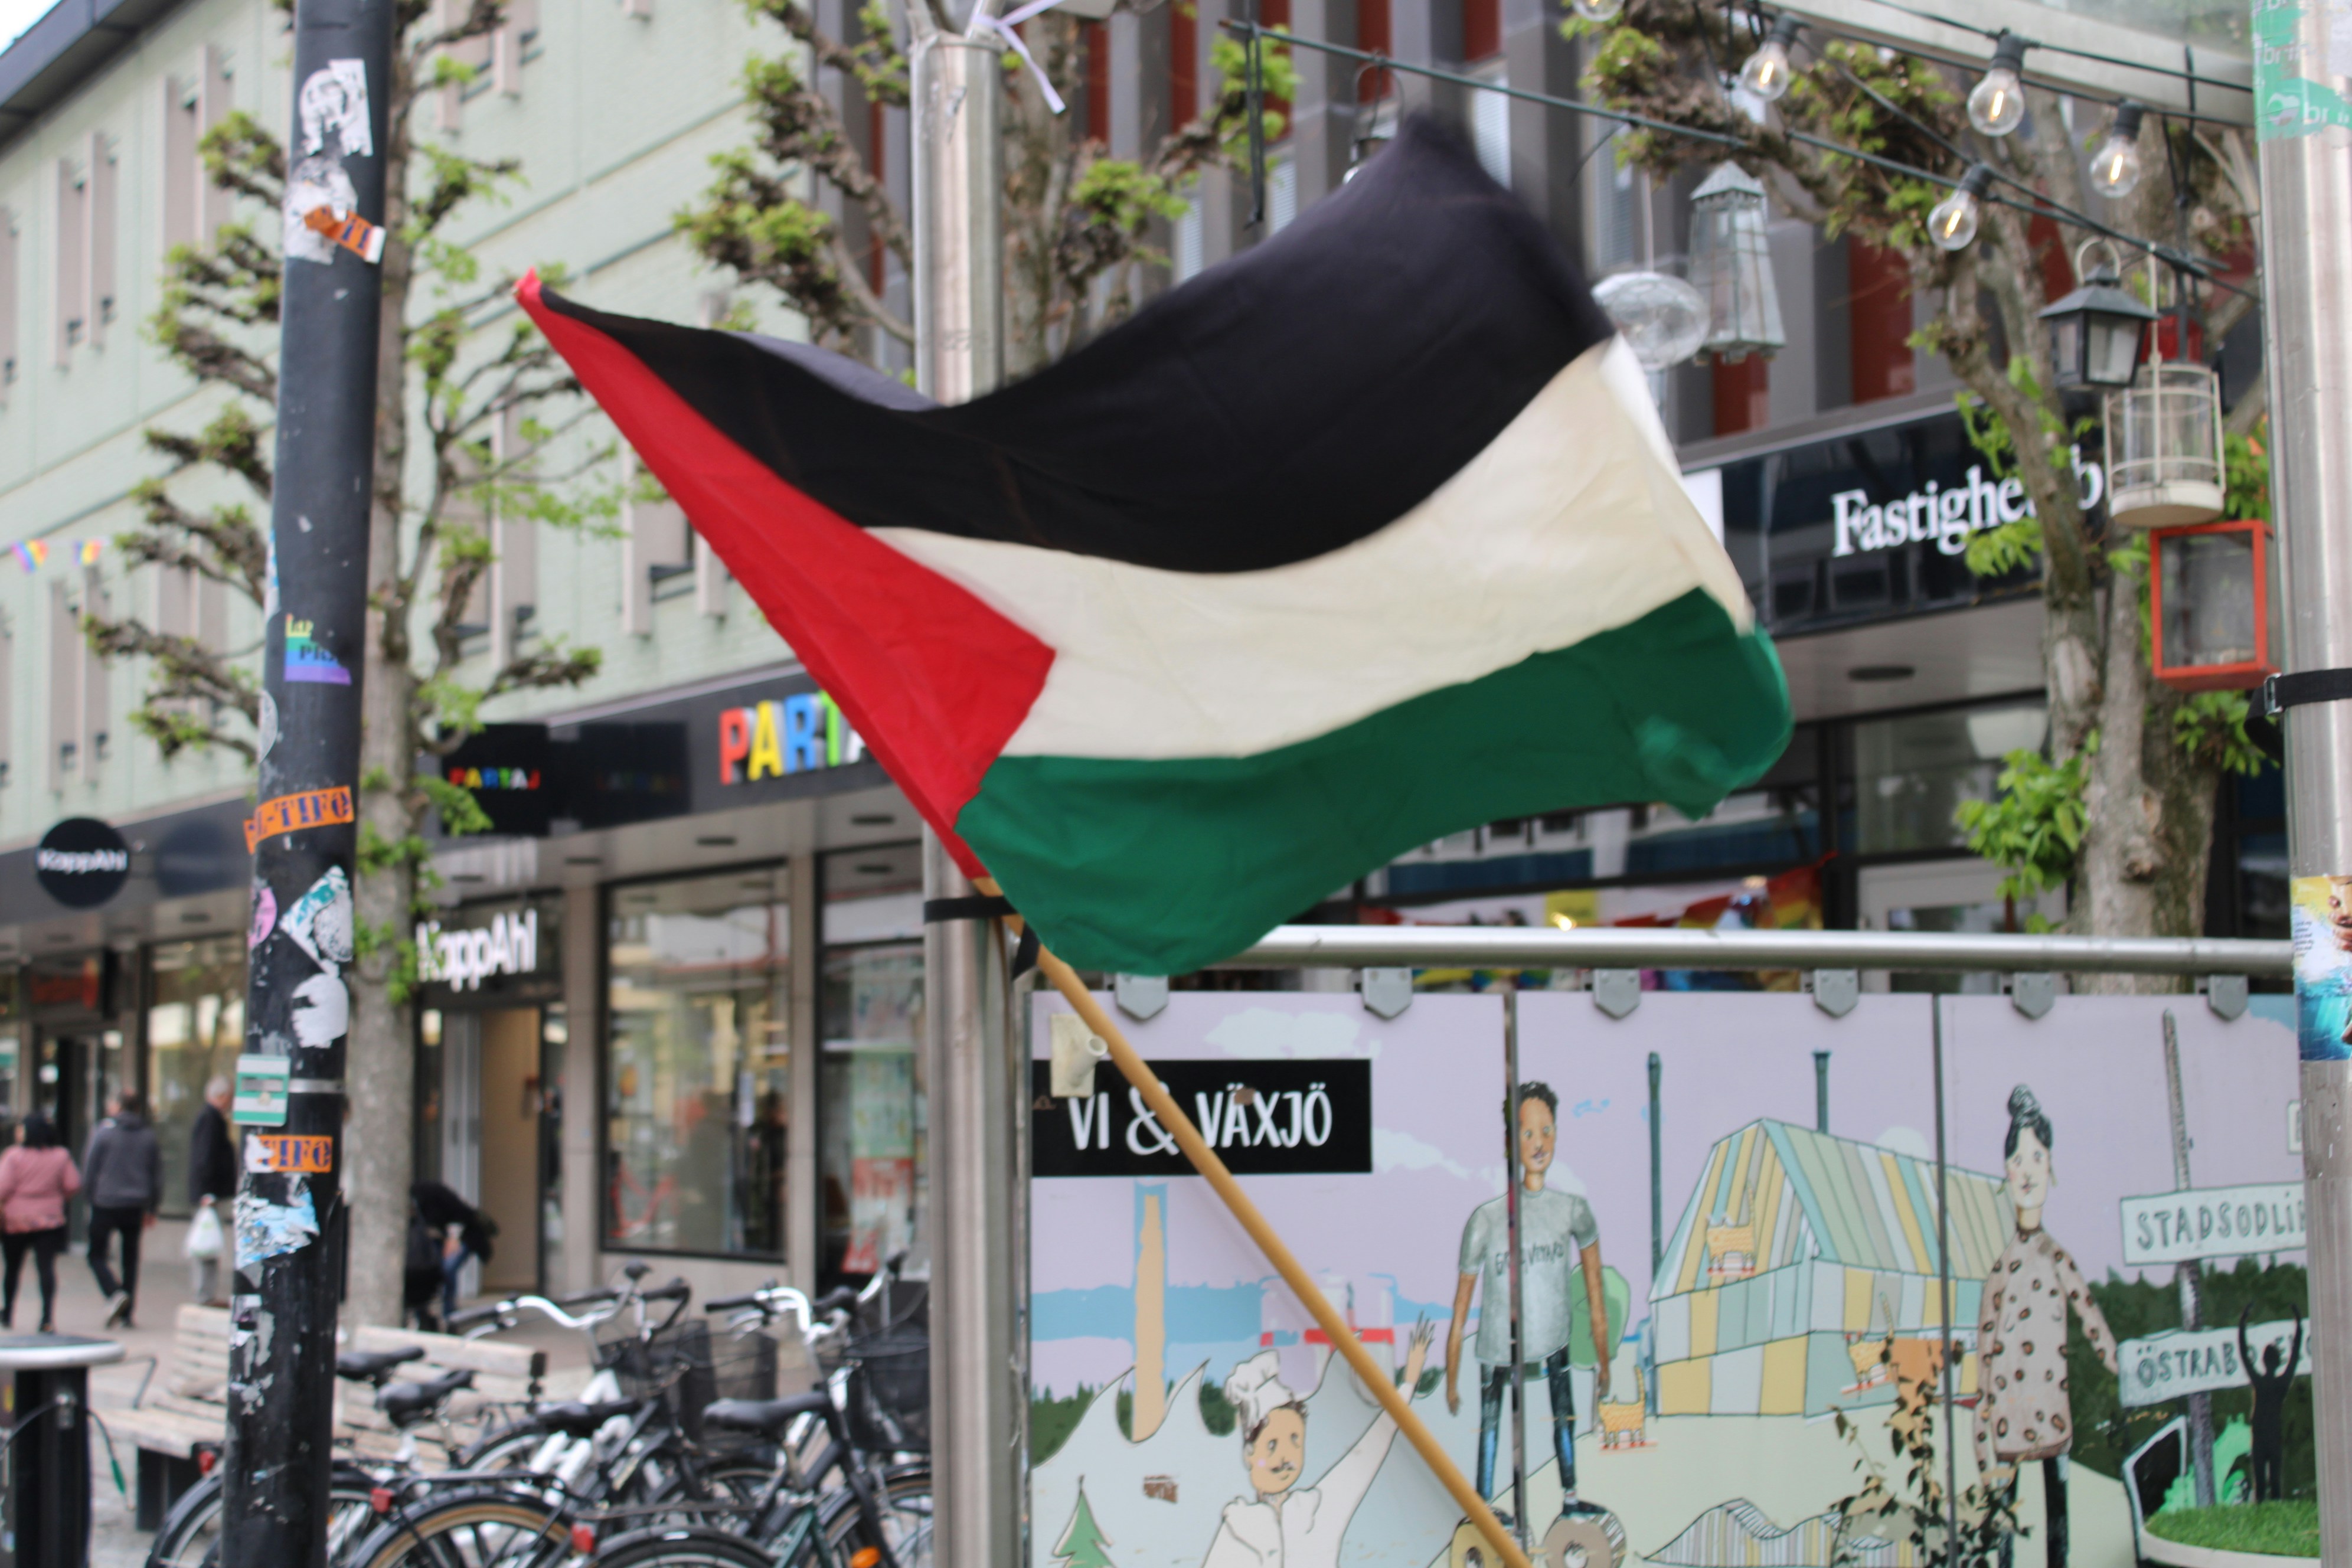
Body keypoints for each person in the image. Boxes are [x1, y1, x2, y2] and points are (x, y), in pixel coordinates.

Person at [1445, 1082, 1612, 1527]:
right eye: (1527, 1133)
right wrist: (1450, 1373)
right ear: (1509, 1141)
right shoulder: (1485, 1220)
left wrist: (1604, 1360)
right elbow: (1462, 1306)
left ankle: (1571, 1495)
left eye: (1546, 1131)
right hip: (1497, 1345)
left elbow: (1595, 1290)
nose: (1538, 1143)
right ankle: (1482, 1505)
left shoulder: (1573, 1210)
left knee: (1563, 1415)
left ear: (1556, 1133)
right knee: (1491, 1424)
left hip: (1553, 1336)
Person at [1975, 1086, 2116, 1568]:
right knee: (2007, 1532)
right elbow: (1984, 1356)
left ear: (2050, 1165)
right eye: (2019, 1157)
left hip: (2053, 1415)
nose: (2028, 1167)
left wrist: (2125, 1364)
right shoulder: (1999, 1271)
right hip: (2007, 1421)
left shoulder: (2056, 1257)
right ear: (2007, 1172)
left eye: (2037, 1155)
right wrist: (1981, 1436)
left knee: (2059, 1531)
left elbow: (2091, 1317)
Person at [1201, 1322, 1434, 1568]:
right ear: (1249, 1453)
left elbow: (1366, 1454)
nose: (1285, 1457)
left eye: (1295, 1441)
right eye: (1271, 1446)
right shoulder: (1239, 1527)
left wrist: (1408, 1386)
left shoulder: (1318, 1509)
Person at [83, 1092, 161, 1329]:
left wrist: (90, 1198)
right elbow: (156, 1175)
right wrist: (153, 1207)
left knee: (96, 1255)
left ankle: (115, 1294)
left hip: (105, 1202)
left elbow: (90, 1167)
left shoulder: (104, 1133)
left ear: (117, 1106)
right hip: (135, 1204)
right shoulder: (148, 1136)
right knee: (130, 1259)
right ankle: (127, 1313)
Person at [0, 1116, 79, 1333]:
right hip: (50, 1220)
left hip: (17, 1220)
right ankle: (47, 1318)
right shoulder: (61, 1156)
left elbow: (3, 1188)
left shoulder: (14, 1156)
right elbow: (73, 1184)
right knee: (46, 1268)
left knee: (12, 1269)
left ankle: (7, 1313)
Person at [2239, 1305, 2305, 1502]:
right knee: (2275, 1484)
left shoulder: (2259, 1382)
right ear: (2277, 1362)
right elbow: (2294, 1357)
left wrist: (2243, 1323)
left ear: (2264, 1361)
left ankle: (2264, 1516)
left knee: (2261, 1486)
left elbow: (2244, 1355)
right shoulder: (2281, 1384)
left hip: (2261, 1437)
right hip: (2273, 1436)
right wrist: (2299, 1324)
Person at [410, 1180, 495, 1329]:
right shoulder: (414, 1208)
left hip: (463, 1235)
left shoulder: (430, 1191)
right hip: (436, 1240)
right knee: (421, 1272)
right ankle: (425, 1317)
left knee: (448, 1270)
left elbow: (462, 1213)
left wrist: (453, 1237)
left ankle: (451, 1317)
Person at [186, 1076, 237, 1307]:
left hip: (210, 1191)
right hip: (210, 1192)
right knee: (207, 1242)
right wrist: (207, 1192)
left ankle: (205, 1292)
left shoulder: (211, 1118)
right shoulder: (211, 1119)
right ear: (223, 1096)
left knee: (209, 1241)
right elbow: (205, 1157)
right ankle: (204, 1294)